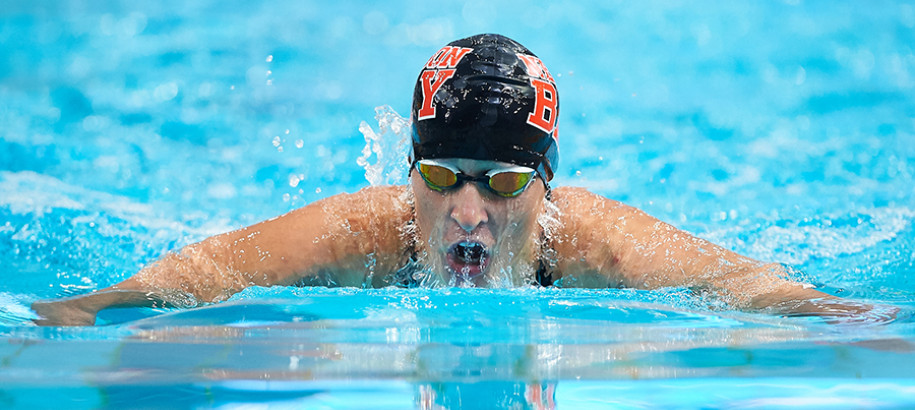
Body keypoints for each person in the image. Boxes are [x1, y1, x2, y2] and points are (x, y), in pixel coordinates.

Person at [32, 33, 872, 326]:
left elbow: (750, 286)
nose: (466, 213)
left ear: (547, 186)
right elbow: (194, 274)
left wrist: (850, 319)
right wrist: (78, 313)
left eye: (502, 184)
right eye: (442, 176)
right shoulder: (368, 234)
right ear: (410, 175)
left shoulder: (598, 247)